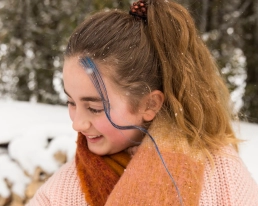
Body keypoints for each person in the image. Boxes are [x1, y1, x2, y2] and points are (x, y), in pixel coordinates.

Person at [27, 0, 258, 205]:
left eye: (95, 108)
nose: (77, 124)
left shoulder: (224, 178)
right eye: (71, 102)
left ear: (150, 105)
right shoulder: (60, 193)